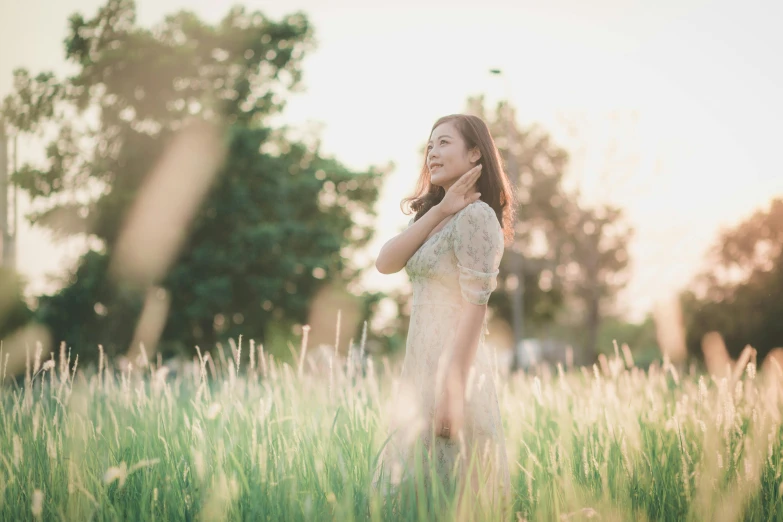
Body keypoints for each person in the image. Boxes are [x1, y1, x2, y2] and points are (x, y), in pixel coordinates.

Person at [372, 114, 516, 517]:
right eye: (429, 145)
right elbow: (385, 262)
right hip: (419, 366)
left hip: (453, 370)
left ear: (475, 153)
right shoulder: (436, 217)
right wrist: (441, 209)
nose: (432, 152)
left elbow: (475, 309)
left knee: (452, 491)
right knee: (414, 496)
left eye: (444, 143)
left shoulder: (478, 218)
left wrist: (453, 389)